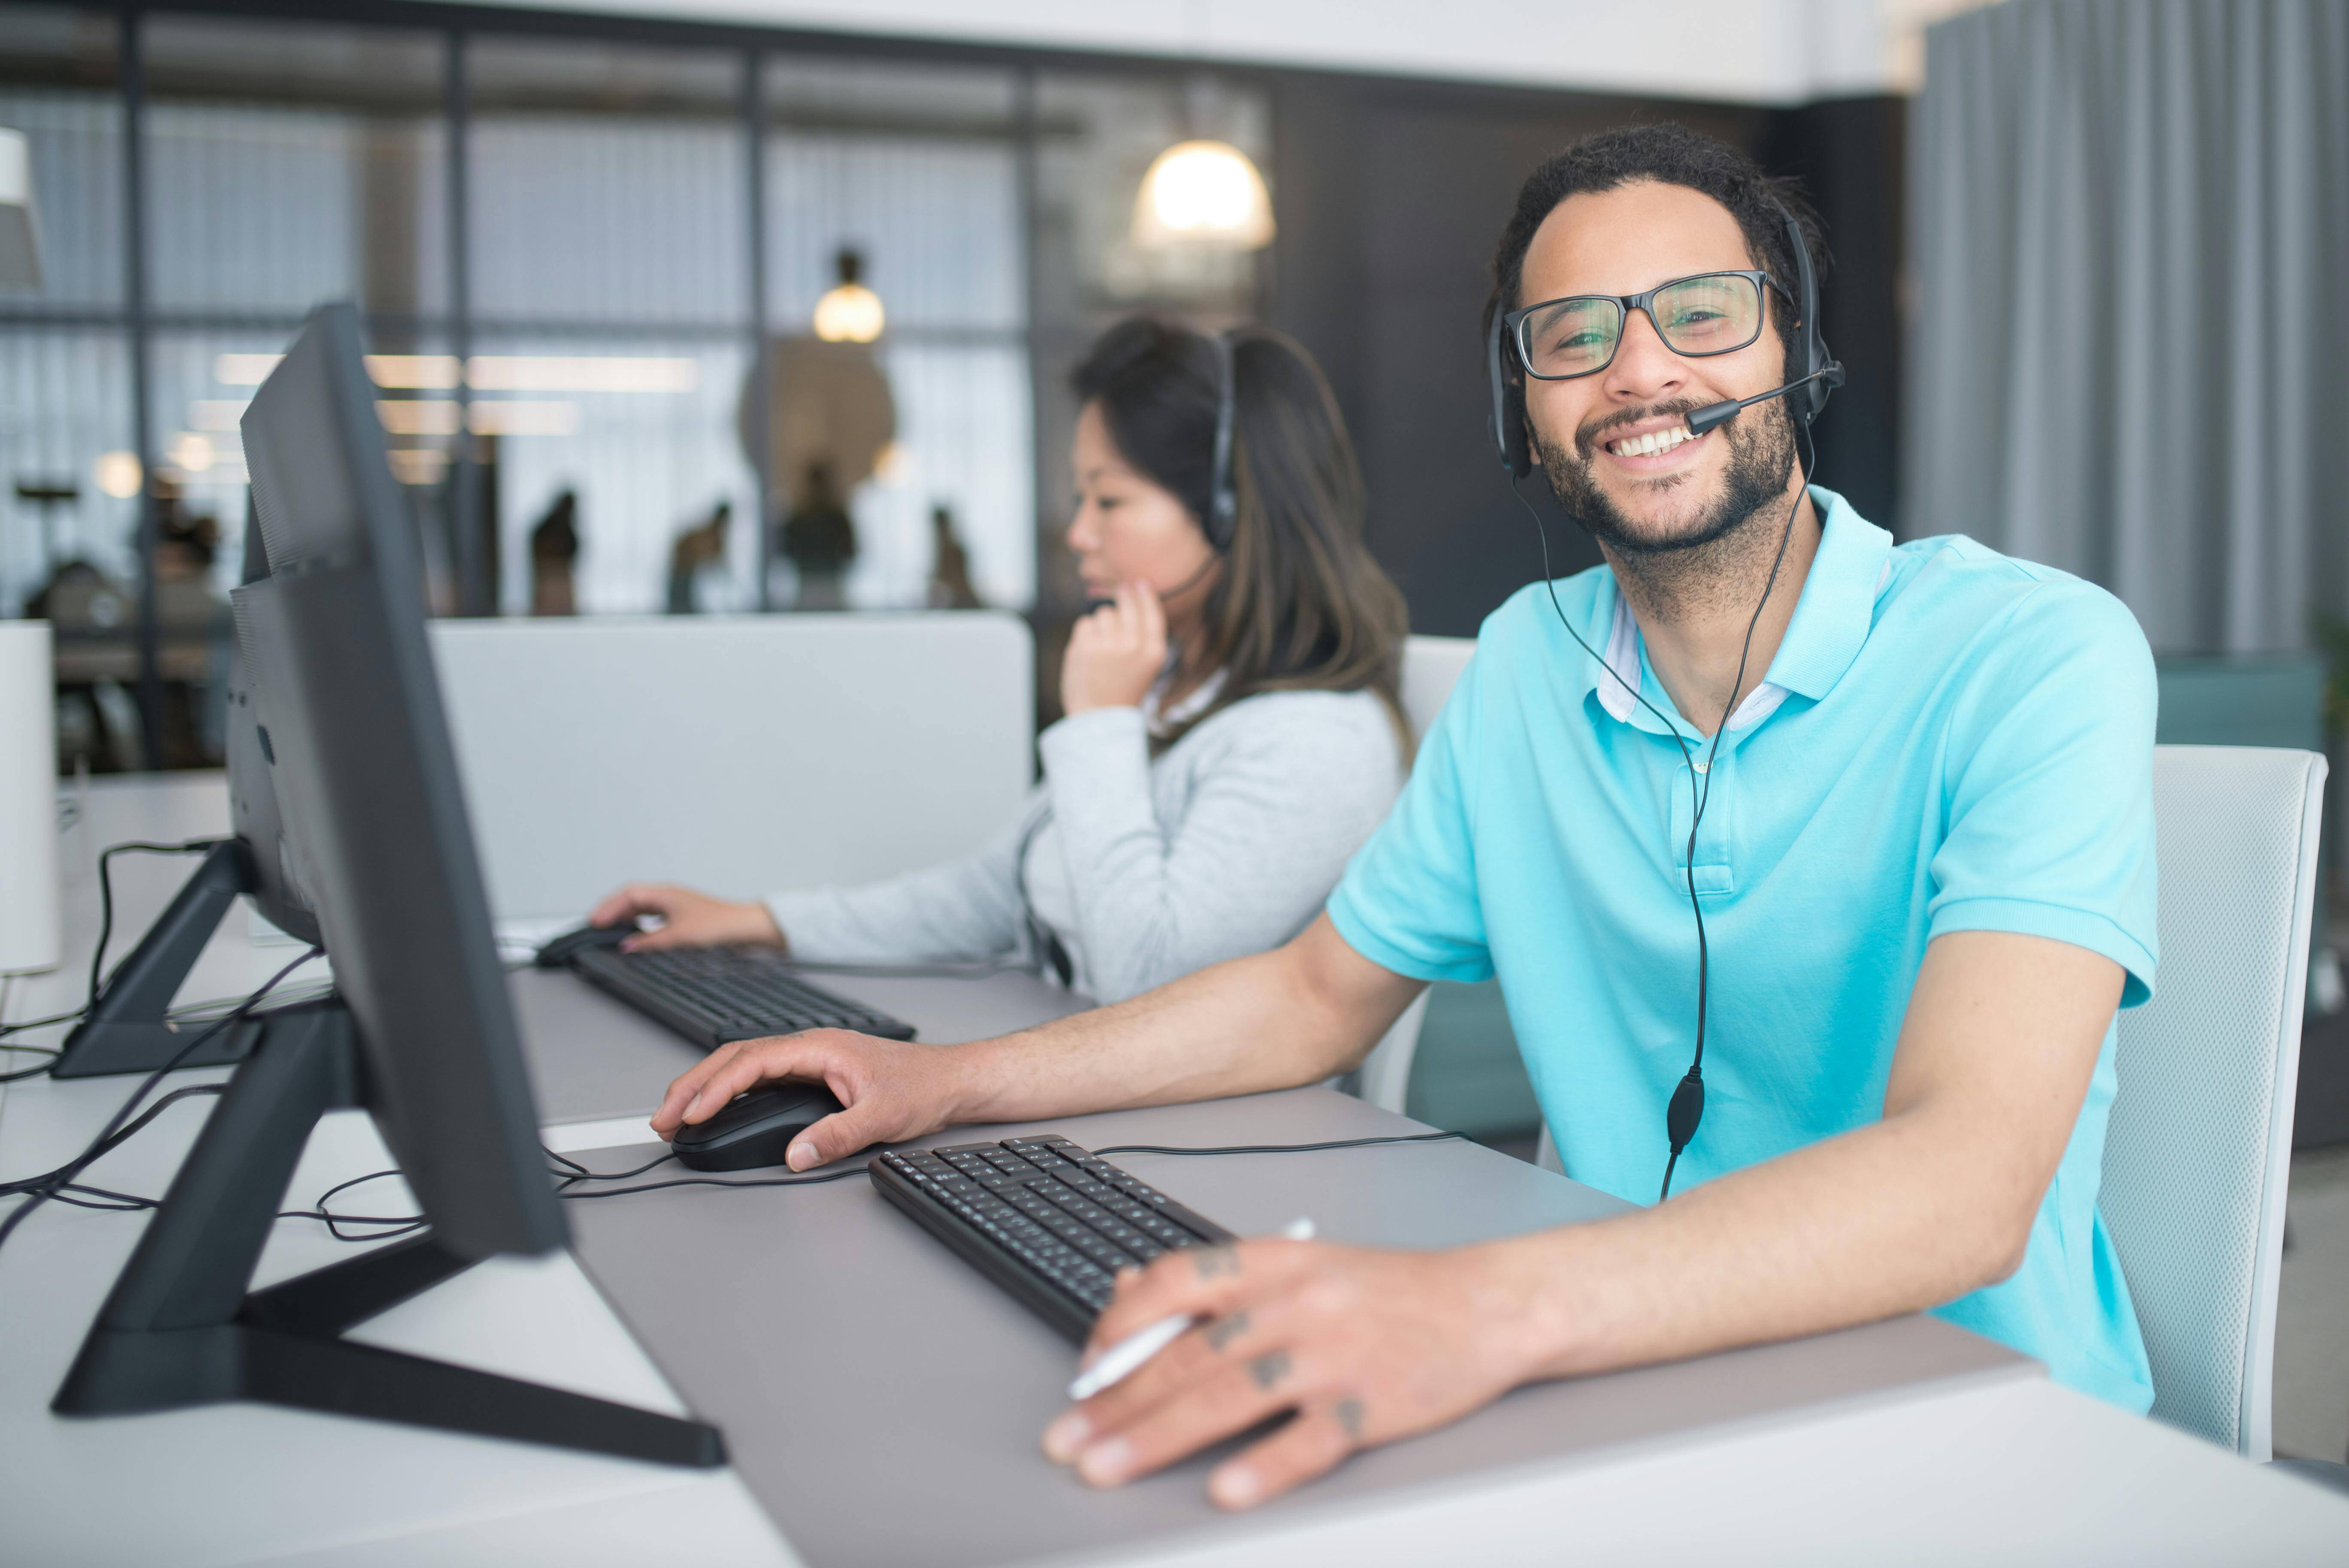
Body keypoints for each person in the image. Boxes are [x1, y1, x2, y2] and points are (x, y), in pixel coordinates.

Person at [644, 122, 2164, 1511]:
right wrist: (945, 1086)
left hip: (1975, 1437)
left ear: (1797, 351)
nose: (1639, 375)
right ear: (1527, 402)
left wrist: (1468, 1306)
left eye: (1700, 313)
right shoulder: (1523, 666)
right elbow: (1313, 994)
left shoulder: (2031, 654)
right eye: (1574, 337)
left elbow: (1970, 1181)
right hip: (1620, 1387)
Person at [593, 319, 1412, 1006]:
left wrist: (1100, 724)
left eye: (1111, 499)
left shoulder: (1314, 740)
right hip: (1082, 1091)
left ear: (1233, 512)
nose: (1079, 533)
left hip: (1203, 1148)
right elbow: (992, 894)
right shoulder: (1180, 695)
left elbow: (1152, 982)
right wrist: (758, 921)